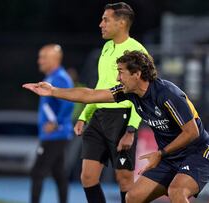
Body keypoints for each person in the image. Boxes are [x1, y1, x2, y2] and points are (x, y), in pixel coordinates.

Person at [23, 50, 209, 203]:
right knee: (132, 198)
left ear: (136, 74)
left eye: (121, 72)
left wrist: (161, 153)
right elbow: (90, 95)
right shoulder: (129, 92)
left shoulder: (167, 94)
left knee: (176, 191)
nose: (118, 78)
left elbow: (192, 132)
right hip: (170, 157)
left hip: (200, 153)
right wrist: (53, 92)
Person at [73, 2, 147, 203]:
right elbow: (100, 85)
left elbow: (144, 94)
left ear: (121, 22)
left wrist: (131, 130)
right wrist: (84, 115)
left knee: (124, 179)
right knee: (87, 177)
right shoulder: (106, 48)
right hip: (98, 118)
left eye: (106, 19)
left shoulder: (137, 52)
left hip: (121, 120)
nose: (100, 24)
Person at [30, 44, 74, 203]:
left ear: (55, 59)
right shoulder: (50, 78)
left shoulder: (60, 78)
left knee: (37, 172)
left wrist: (56, 123)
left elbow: (69, 103)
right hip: (54, 133)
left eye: (43, 57)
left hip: (56, 134)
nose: (39, 61)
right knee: (59, 173)